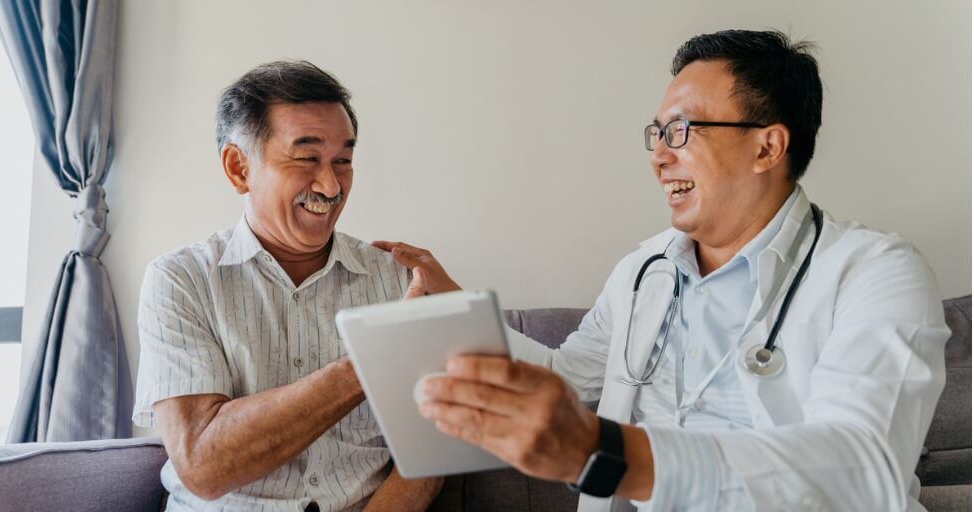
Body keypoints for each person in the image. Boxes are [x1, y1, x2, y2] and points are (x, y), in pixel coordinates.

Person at [384, 30, 949, 511]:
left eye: (681, 131)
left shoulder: (875, 273)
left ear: (767, 146)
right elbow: (571, 377)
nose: (658, 155)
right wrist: (455, 309)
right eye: (656, 134)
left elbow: (861, 467)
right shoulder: (643, 270)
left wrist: (603, 454)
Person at [132, 61, 446, 511]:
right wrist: (375, 356)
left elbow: (431, 447)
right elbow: (202, 464)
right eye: (307, 158)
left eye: (343, 160)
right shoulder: (180, 281)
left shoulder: (400, 280)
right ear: (239, 167)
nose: (331, 185)